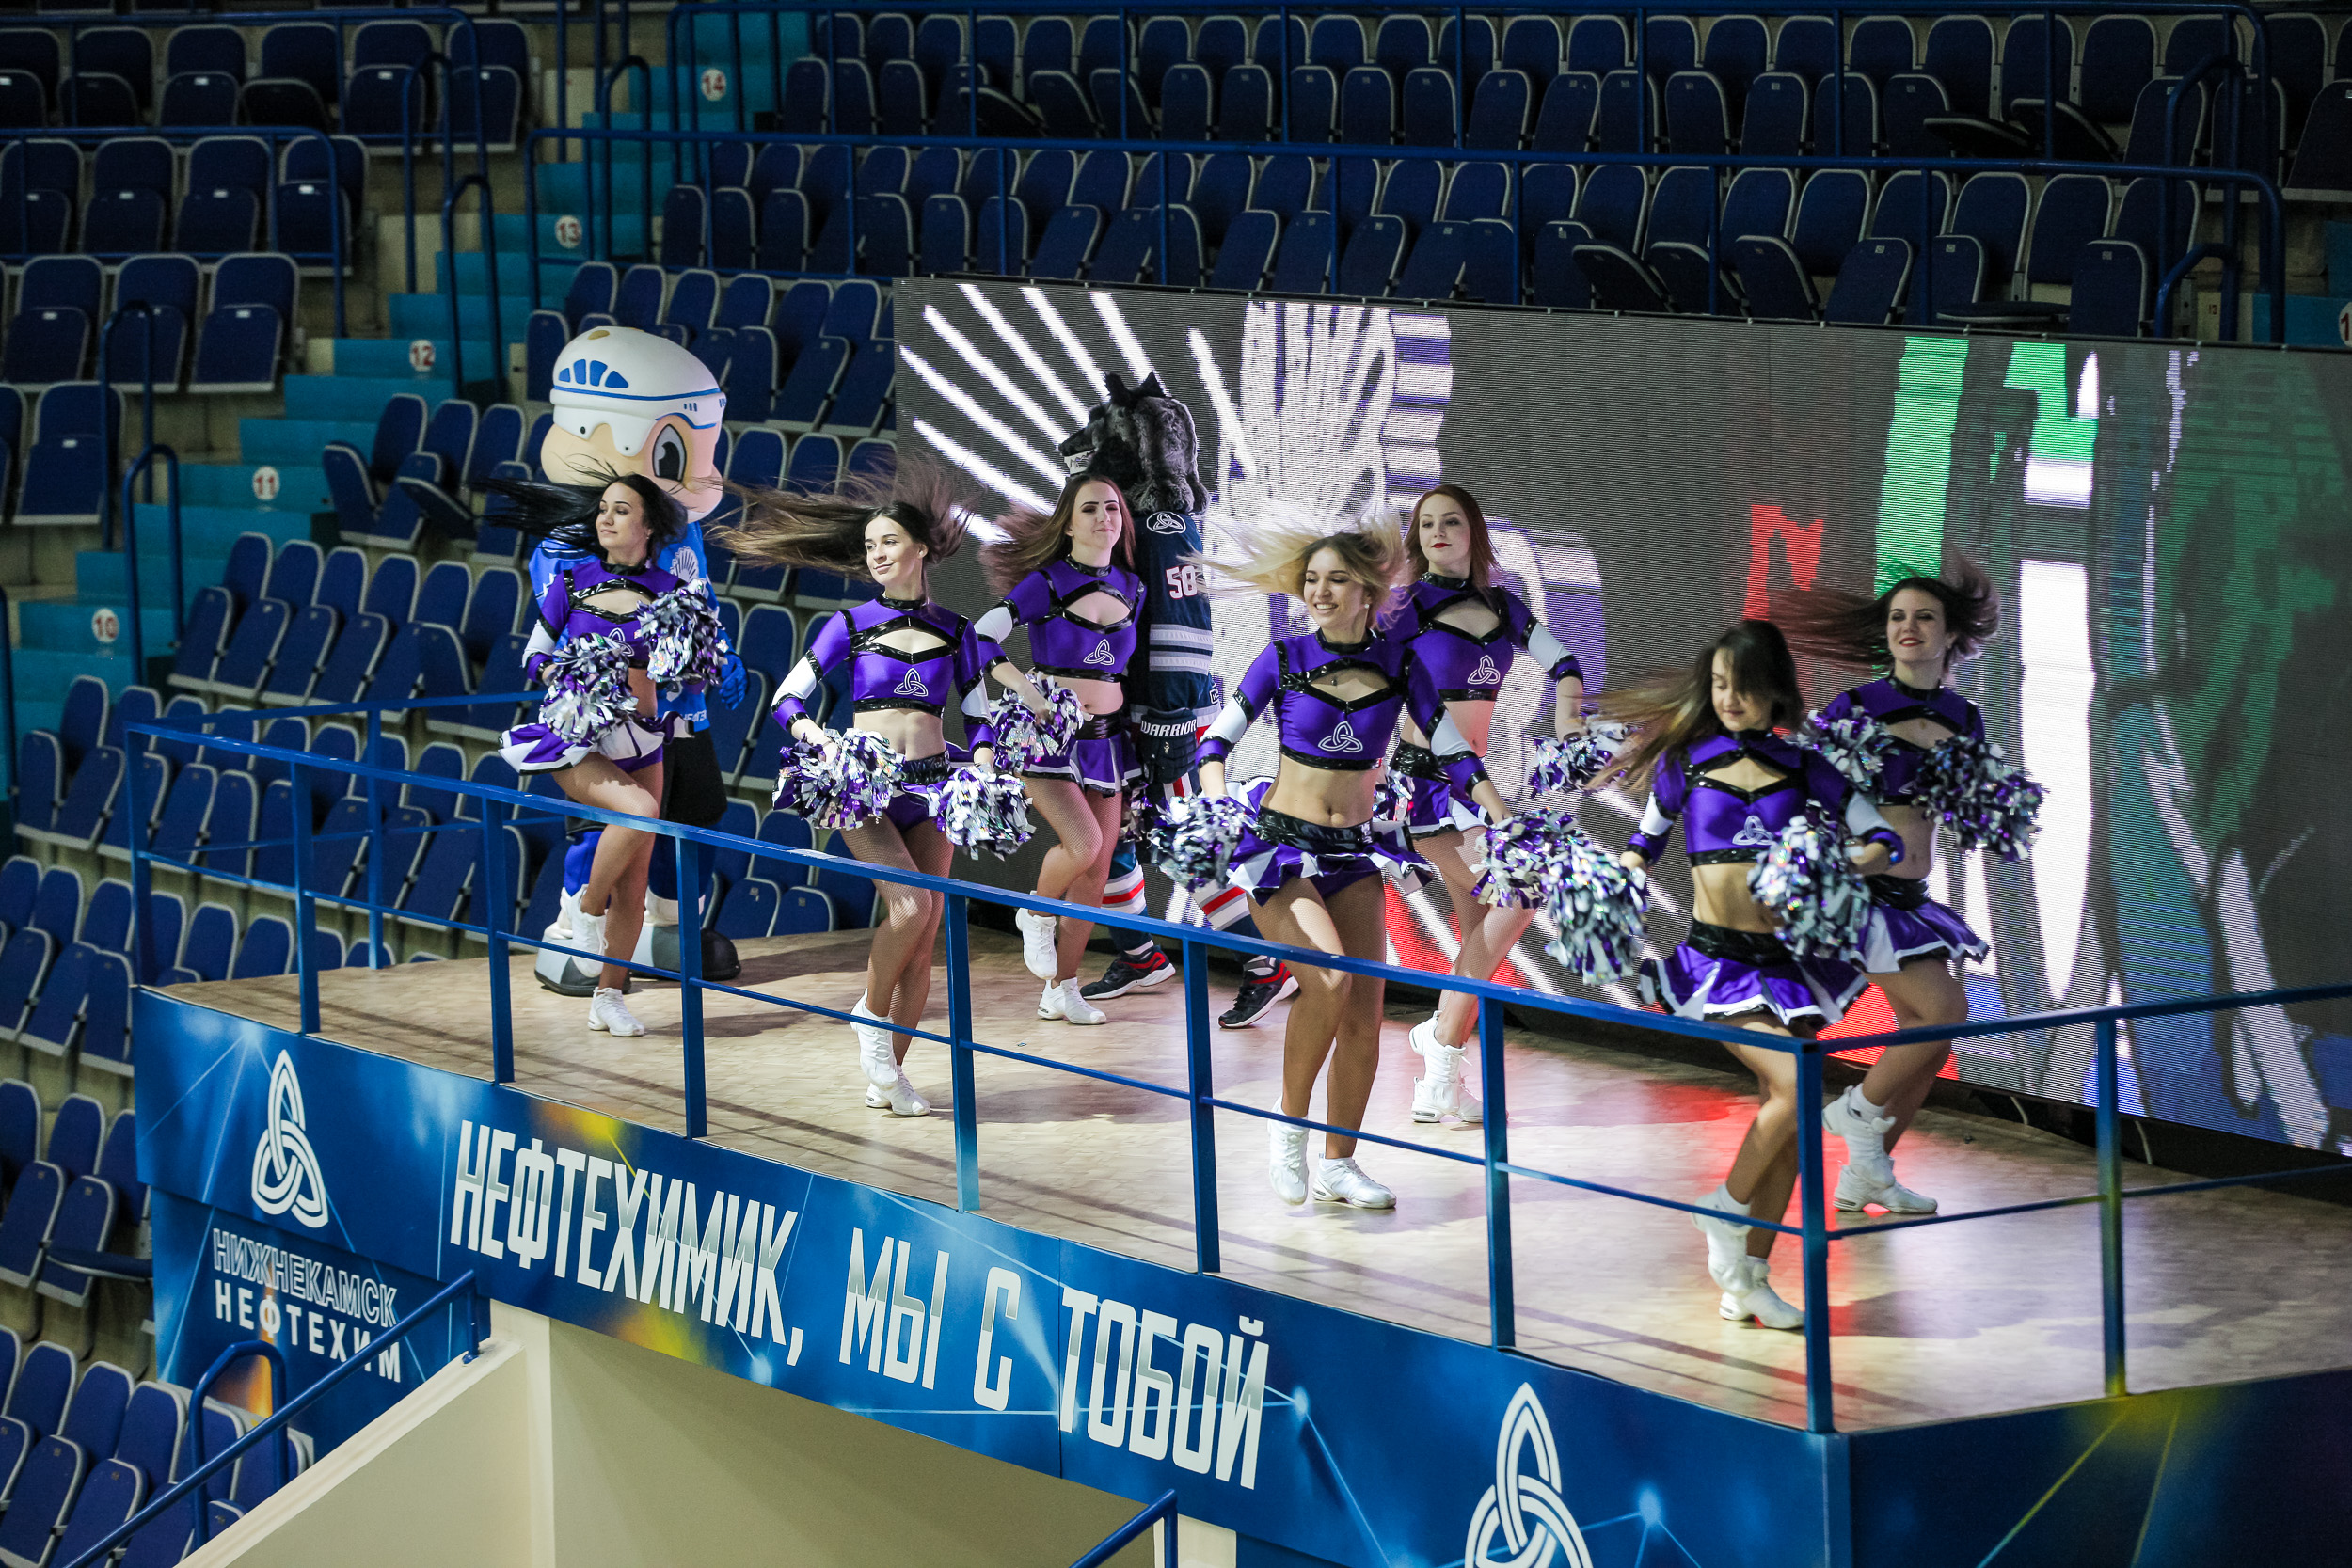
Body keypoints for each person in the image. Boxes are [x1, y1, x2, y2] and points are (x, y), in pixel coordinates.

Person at [1191, 507, 1503, 1211]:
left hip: (1353, 853)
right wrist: (1216, 803)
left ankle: (1339, 1163)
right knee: (1328, 981)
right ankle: (1287, 1126)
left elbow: (1453, 750)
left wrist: (1501, 814)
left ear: (1368, 591)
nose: (1320, 592)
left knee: (1365, 1013)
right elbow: (1215, 744)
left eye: (1335, 580)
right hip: (1281, 849)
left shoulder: (1401, 665)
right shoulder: (1283, 659)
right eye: (1311, 580)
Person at [720, 462, 1050, 1117]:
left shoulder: (956, 630)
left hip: (935, 788)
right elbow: (787, 698)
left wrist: (984, 766)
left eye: (888, 542)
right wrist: (818, 738)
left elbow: (978, 715)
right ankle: (869, 1015)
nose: (876, 554)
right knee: (909, 909)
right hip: (865, 788)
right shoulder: (847, 624)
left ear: (921, 549)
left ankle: (889, 1075)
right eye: (869, 545)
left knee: (925, 940)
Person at [1606, 620, 1904, 1329]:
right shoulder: (1685, 762)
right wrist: (1614, 882)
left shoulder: (1806, 767)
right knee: (1796, 1085)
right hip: (1714, 964)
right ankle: (1725, 1208)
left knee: (1795, 1121)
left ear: (1774, 690)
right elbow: (1642, 844)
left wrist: (1835, 866)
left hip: (1786, 967)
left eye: (1742, 685)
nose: (1729, 698)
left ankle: (1747, 1278)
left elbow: (1882, 840)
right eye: (1718, 685)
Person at [1056, 374, 1299, 1029]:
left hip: (1164, 716)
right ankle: (1139, 954)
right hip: (1135, 713)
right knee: (1116, 835)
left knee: (1181, 837)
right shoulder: (1149, 517)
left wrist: (1167, 719)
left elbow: (1181, 626)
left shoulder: (1161, 525)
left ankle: (1265, 962)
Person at [526, 326, 746, 996]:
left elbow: (700, 607)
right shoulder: (566, 553)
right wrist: (560, 675)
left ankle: (670, 921)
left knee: (695, 812)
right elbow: (549, 640)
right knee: (605, 825)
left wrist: (721, 654)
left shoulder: (683, 540)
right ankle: (576, 924)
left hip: (679, 713)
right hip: (604, 721)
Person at [1782, 562, 2004, 1216]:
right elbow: (1808, 793)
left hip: (1912, 899)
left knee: (1926, 1038)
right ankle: (1856, 1108)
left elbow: (1967, 807)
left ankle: (1868, 1175)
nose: (1909, 627)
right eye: (1898, 617)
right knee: (1946, 1009)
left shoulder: (1965, 717)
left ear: (1950, 634)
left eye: (1924, 617)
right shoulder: (1856, 707)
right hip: (1857, 894)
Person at [496, 471, 731, 1039]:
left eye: (620, 510)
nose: (605, 518)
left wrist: (703, 664)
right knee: (641, 814)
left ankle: (608, 995)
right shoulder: (571, 582)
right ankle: (586, 909)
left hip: (646, 739)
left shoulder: (672, 592)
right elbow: (533, 653)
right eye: (602, 509)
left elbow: (693, 668)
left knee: (637, 878)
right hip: (579, 739)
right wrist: (564, 672)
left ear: (648, 527)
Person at [1390, 484, 1588, 1126]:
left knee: (1480, 940)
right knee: (1521, 894)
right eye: (1426, 523)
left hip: (1471, 785)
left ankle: (1439, 1080)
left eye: (1452, 521)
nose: (1438, 531)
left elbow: (1564, 662)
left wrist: (1569, 715)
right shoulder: (1407, 606)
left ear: (1473, 531)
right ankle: (1440, 1042)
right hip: (1424, 786)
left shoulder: (1504, 605)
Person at [974, 473, 1148, 1025]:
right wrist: (1028, 692)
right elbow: (980, 636)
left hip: (1108, 740)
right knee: (1084, 844)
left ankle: (1062, 988)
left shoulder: (1134, 587)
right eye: (1090, 508)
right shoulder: (1046, 582)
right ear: (1068, 524)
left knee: (1095, 871)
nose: (1104, 517)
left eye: (1113, 508)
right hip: (1047, 736)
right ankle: (1034, 911)